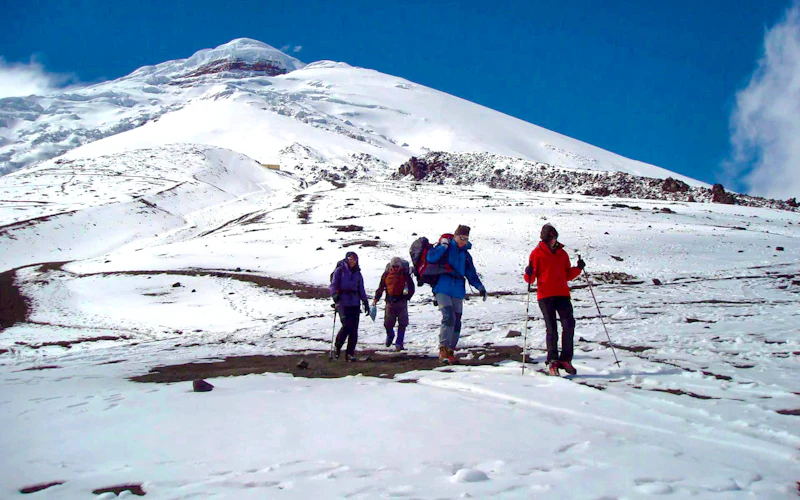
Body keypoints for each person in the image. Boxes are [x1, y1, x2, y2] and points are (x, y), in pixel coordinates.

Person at [524, 223, 585, 376]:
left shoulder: (562, 253)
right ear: (544, 239)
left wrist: (578, 268)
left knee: (569, 325)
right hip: (545, 296)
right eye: (550, 238)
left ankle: (566, 359)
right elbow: (530, 279)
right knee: (552, 329)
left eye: (555, 237)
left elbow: (567, 275)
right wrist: (528, 272)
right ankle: (552, 360)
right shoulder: (536, 253)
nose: (553, 241)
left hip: (563, 294)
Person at [425, 225, 487, 364]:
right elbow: (431, 258)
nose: (463, 241)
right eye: (461, 238)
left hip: (458, 290)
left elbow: (471, 273)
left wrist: (480, 287)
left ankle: (450, 351)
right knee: (448, 316)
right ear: (455, 236)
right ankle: (443, 348)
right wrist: (442, 247)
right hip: (442, 287)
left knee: (457, 320)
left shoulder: (465, 254)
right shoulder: (445, 248)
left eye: (466, 239)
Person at [330, 251, 370, 361]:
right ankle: (338, 346)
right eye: (350, 258)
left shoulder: (358, 273)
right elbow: (333, 284)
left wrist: (365, 302)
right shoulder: (340, 270)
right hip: (343, 302)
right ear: (347, 259)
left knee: (354, 329)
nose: (352, 261)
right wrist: (335, 295)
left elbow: (361, 288)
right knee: (346, 326)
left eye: (354, 259)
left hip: (355, 302)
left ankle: (350, 353)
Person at [373, 257, 415, 351]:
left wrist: (407, 297)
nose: (395, 268)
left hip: (401, 302)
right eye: (393, 266)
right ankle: (390, 336)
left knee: (403, 323)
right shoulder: (386, 274)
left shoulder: (405, 275)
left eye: (397, 266)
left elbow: (411, 287)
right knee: (388, 323)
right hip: (390, 301)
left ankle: (399, 343)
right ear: (390, 266)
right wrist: (376, 298)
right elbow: (381, 287)